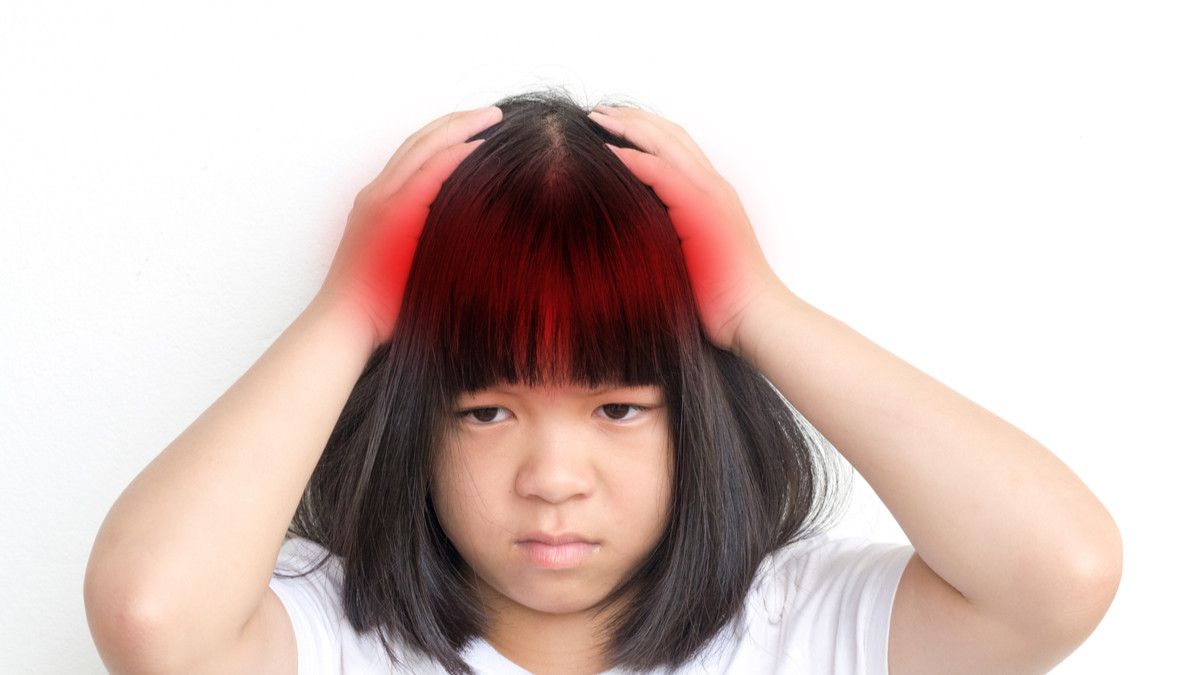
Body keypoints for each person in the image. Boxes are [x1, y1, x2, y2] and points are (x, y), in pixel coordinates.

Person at [84, 90, 1123, 675]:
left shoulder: (795, 627)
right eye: (487, 410)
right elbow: (149, 617)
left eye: (618, 407)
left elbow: (1059, 574)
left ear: (696, 421)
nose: (552, 478)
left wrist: (757, 308)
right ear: (414, 425)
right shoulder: (332, 636)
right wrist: (349, 312)